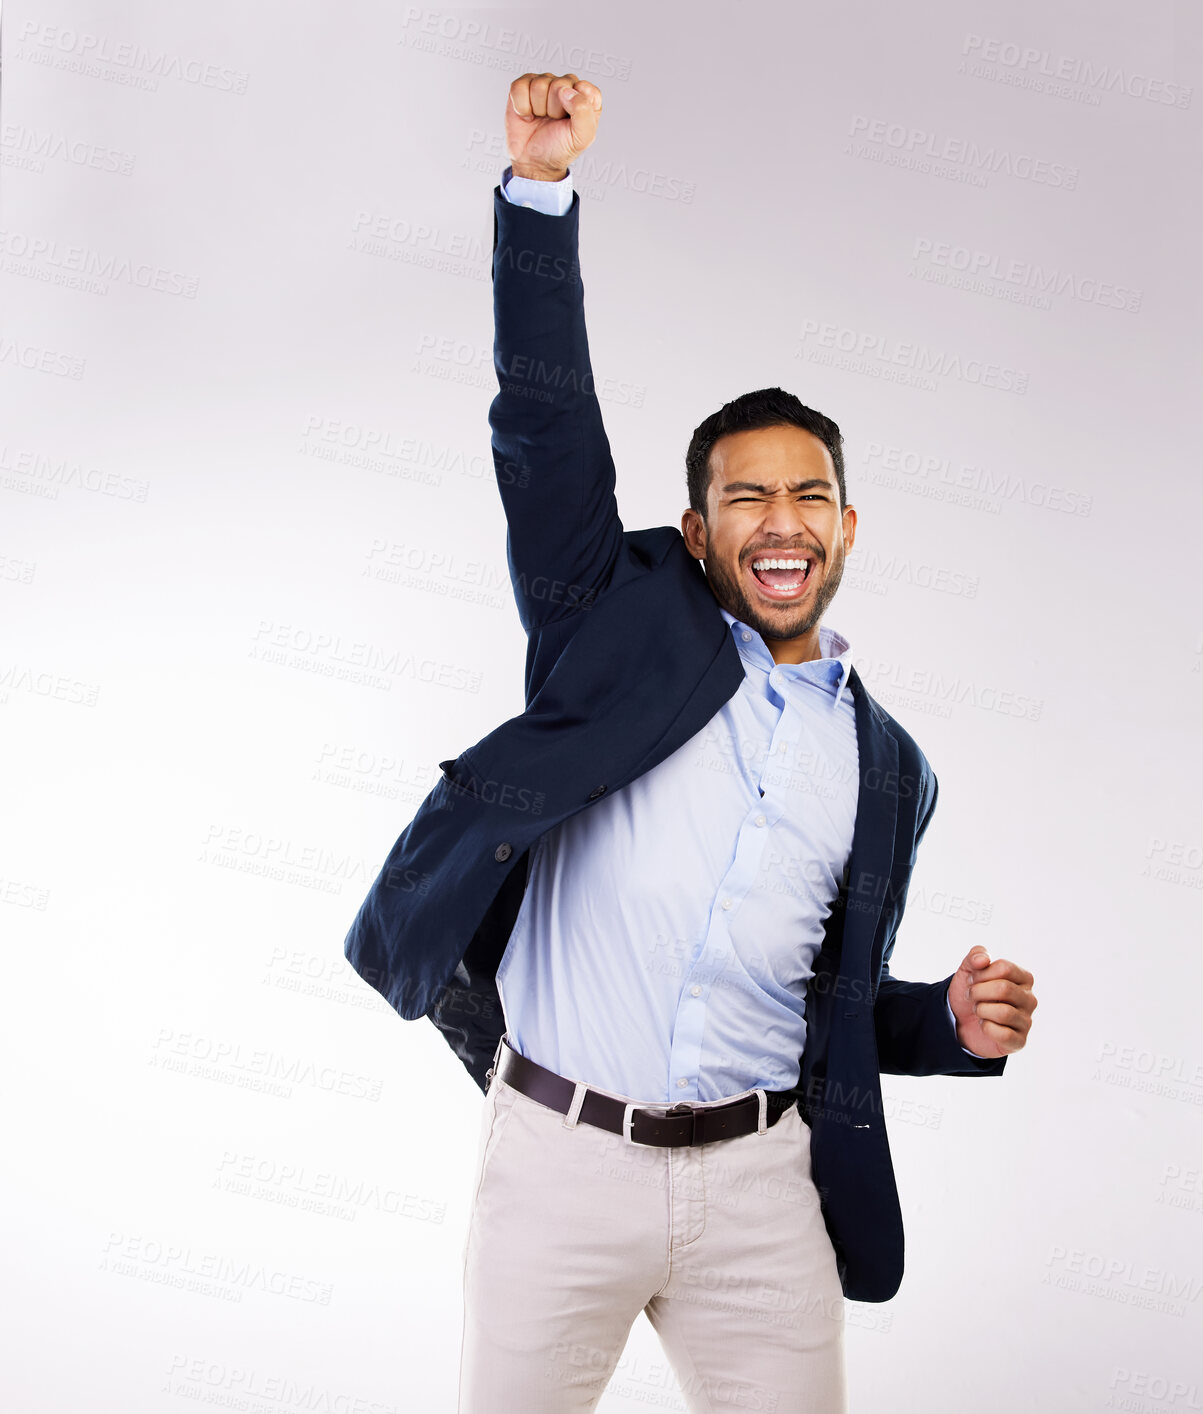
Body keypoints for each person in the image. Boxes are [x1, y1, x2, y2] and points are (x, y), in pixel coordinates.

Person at [343, 70, 1038, 1414]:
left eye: (809, 494)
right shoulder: (614, 628)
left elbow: (816, 1005)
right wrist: (538, 193)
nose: (779, 519)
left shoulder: (887, 767)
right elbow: (543, 435)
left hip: (760, 1193)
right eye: (745, 495)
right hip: (559, 1166)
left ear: (846, 527)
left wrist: (944, 1024)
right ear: (701, 523)